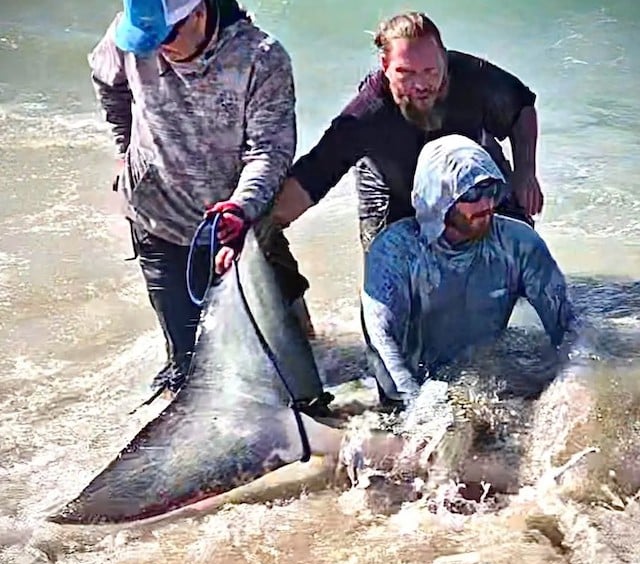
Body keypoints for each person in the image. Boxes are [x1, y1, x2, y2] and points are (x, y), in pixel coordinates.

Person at [89, 0, 310, 397]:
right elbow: (107, 81)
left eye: (167, 36)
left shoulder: (261, 58)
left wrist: (241, 208)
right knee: (188, 370)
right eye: (146, 40)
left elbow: (269, 152)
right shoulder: (131, 36)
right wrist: (125, 149)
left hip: (238, 222)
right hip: (158, 217)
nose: (156, 48)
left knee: (296, 362)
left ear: (200, 13)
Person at [269, 10, 544, 253]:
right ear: (385, 66)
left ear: (443, 59)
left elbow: (521, 108)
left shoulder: (471, 78)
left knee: (520, 244)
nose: (421, 84)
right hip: (392, 192)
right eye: (406, 73)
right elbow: (315, 173)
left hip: (469, 175)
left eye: (430, 70)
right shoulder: (367, 114)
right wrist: (262, 224)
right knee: (390, 274)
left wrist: (525, 172)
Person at [360, 134, 577, 408]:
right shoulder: (394, 250)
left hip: (483, 379)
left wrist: (578, 378)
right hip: (413, 388)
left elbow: (566, 325)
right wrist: (416, 406)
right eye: (471, 193)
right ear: (438, 195)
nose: (485, 204)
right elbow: (381, 340)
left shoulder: (518, 244)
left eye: (491, 191)